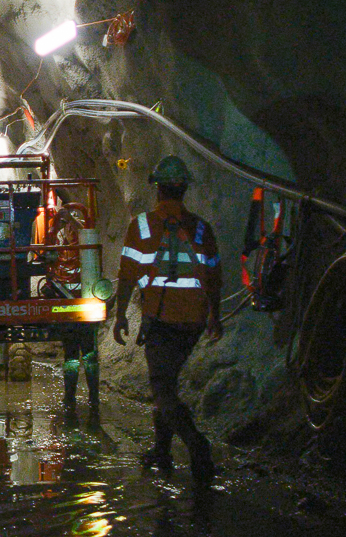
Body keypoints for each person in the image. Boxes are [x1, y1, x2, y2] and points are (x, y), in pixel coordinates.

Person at [111, 155, 223, 485]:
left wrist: (119, 316)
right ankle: (162, 450)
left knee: (162, 390)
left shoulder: (142, 226)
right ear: (184, 190)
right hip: (194, 321)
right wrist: (215, 316)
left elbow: (127, 275)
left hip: (161, 319)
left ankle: (196, 445)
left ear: (158, 190)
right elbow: (214, 275)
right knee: (166, 384)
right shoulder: (201, 228)